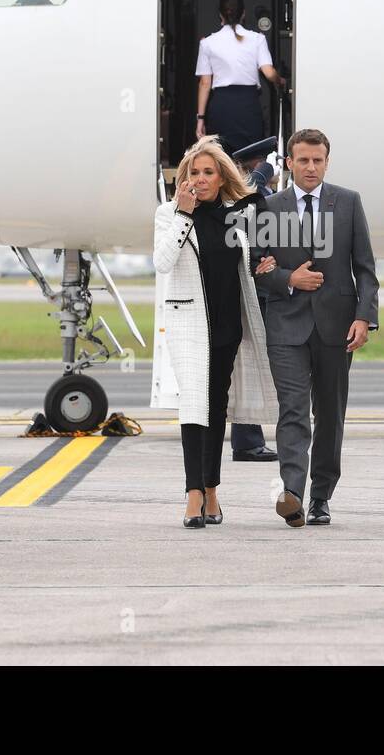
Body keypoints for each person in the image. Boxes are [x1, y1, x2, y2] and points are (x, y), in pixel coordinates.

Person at [252, 129, 380, 527]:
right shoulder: (269, 207)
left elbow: (365, 269)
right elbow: (258, 266)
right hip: (286, 326)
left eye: (318, 160)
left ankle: (321, 496)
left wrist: (364, 317)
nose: (310, 167)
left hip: (337, 326)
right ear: (289, 163)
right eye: (303, 160)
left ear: (327, 162)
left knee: (329, 413)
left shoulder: (349, 202)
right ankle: (292, 492)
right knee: (292, 409)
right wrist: (290, 279)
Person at [153, 137, 278, 527]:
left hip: (227, 324)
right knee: (193, 405)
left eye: (209, 172)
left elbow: (248, 256)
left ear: (222, 177)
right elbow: (163, 262)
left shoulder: (236, 213)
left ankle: (211, 490)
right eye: (195, 171)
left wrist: (264, 262)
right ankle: (193, 494)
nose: (202, 178)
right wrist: (184, 215)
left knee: (215, 409)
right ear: (185, 176)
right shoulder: (168, 213)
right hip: (188, 322)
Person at [228, 136, 280, 463]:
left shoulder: (268, 195)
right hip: (252, 288)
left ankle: (250, 438)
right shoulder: (247, 193)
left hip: (265, 287)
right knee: (249, 358)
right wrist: (256, 178)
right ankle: (246, 441)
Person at [194, 0, 285, 156]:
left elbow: (205, 83)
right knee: (251, 157)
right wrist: (281, 80)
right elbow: (269, 73)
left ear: (220, 15)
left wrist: (201, 118)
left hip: (221, 105)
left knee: (221, 158)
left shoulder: (207, 43)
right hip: (248, 104)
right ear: (243, 14)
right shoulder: (257, 39)